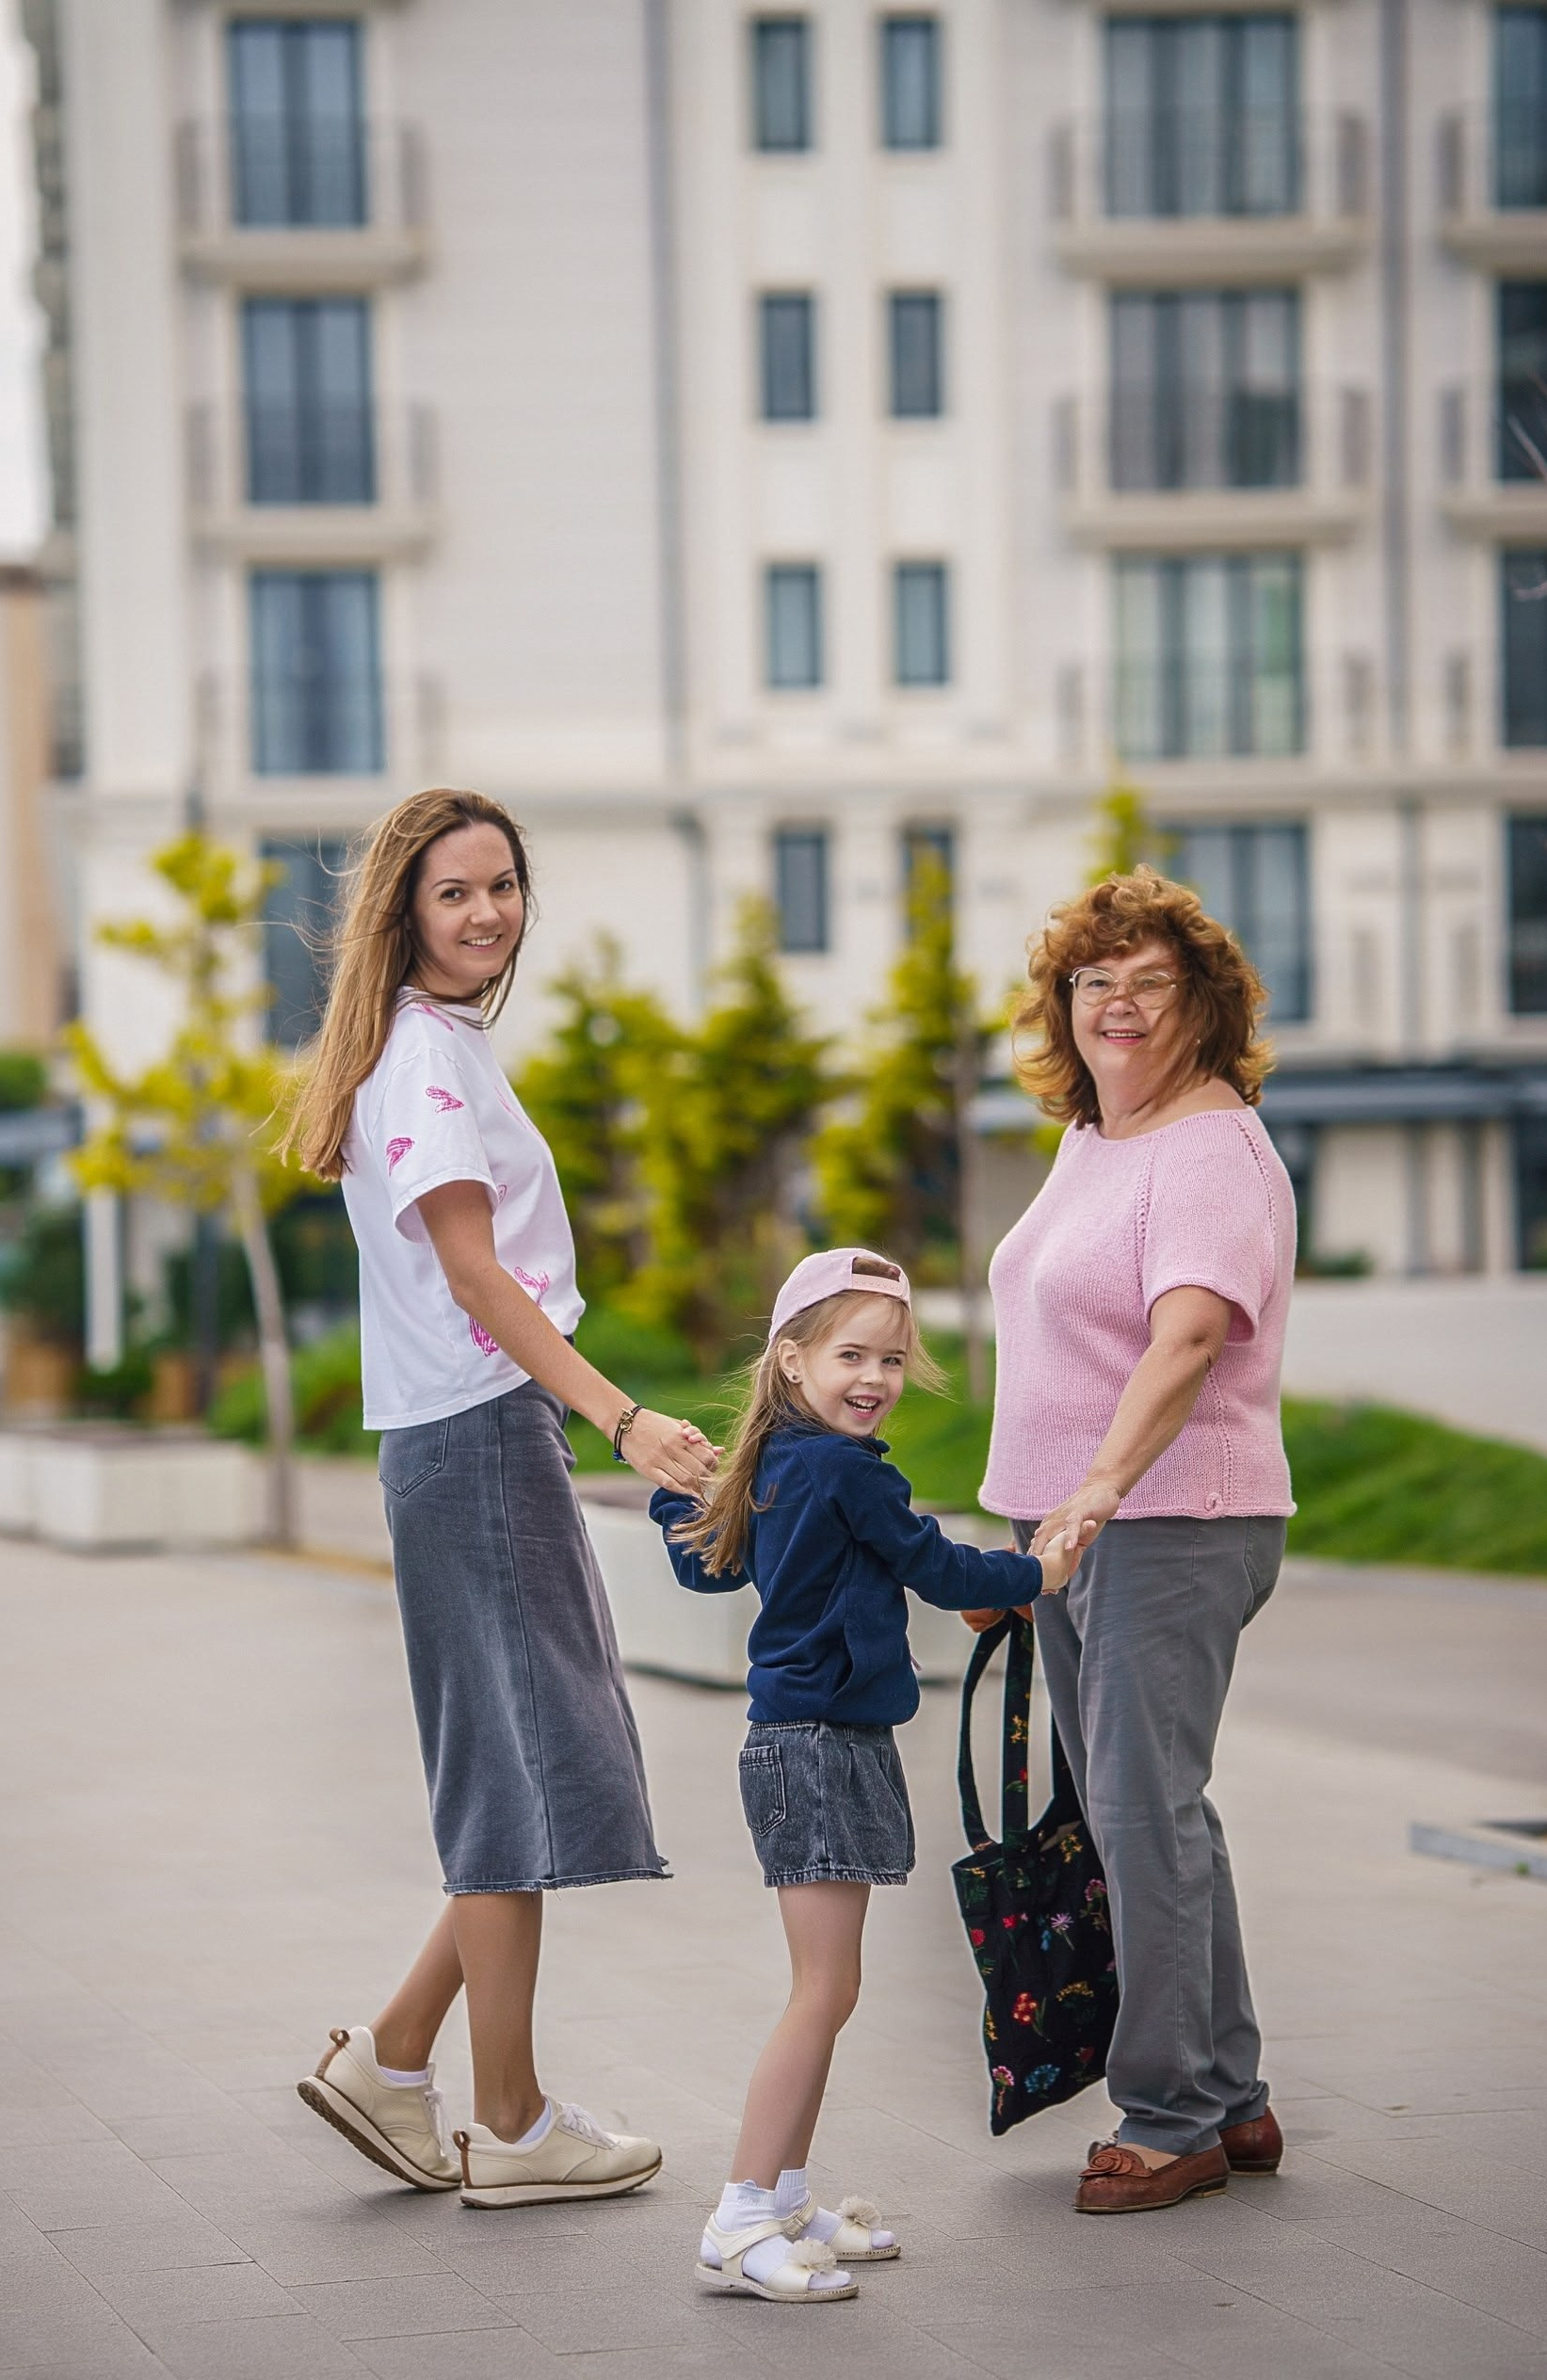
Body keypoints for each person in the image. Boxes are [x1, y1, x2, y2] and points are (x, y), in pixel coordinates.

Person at [282, 787, 719, 2211]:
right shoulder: (423, 1061)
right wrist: (624, 1413)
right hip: (476, 1438)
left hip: (474, 1439)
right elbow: (476, 1277)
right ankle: (514, 2127)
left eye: (503, 887)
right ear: (405, 911)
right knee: (519, 1770)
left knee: (520, 1763)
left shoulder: (437, 1048)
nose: (487, 914)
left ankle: (397, 2062)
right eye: (455, 892)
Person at [652, 1249, 1092, 2302]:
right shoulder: (844, 1470)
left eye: (891, 1357)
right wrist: (1038, 1570)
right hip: (818, 1747)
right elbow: (929, 1560)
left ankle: (787, 2195)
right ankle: (740, 2215)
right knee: (822, 1989)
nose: (875, 1376)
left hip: (806, 1741)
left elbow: (702, 1558)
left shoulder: (780, 1465)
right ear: (792, 1359)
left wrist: (685, 1491)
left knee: (829, 1987)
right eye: (851, 1353)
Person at [975, 868, 1296, 2216]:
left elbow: (1187, 1340)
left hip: (1172, 1517)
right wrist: (1025, 1542)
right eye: (1093, 980)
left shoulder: (1211, 1148)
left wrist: (1094, 1495)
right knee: (1152, 1806)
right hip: (1078, 1526)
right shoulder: (1097, 1143)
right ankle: (1230, 2092)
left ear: (1201, 1005)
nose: (1116, 1003)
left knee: (1139, 1809)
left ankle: (1169, 2117)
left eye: (1147, 980)